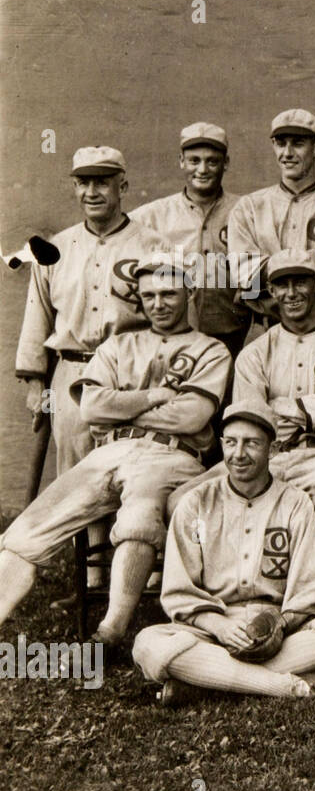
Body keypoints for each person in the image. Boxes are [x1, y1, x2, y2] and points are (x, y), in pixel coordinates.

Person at [0, 257, 229, 644]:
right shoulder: (117, 346)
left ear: (189, 294)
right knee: (25, 531)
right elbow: (91, 408)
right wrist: (155, 396)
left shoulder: (211, 350)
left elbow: (193, 416)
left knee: (139, 518)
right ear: (139, 299)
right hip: (107, 452)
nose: (159, 303)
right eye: (150, 295)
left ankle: (111, 630)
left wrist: (120, 402)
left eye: (169, 294)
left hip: (170, 456)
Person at [132, 400, 315, 705]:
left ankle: (205, 684)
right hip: (213, 629)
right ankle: (290, 686)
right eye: (230, 443)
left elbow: (311, 590)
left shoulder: (295, 503)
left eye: (251, 443)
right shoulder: (196, 504)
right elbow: (180, 594)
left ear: (272, 450)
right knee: (147, 644)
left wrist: (279, 624)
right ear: (222, 446)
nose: (238, 453)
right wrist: (220, 626)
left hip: (279, 631)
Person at [168, 250, 315, 603]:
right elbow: (252, 421)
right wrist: (313, 409)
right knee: (182, 500)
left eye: (300, 282)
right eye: (281, 285)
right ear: (271, 292)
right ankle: (215, 600)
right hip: (271, 455)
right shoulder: (255, 352)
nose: (291, 293)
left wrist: (286, 407)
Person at [16, 146, 168, 474]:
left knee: (126, 475)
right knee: (73, 479)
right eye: (83, 183)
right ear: (74, 188)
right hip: (72, 371)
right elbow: (37, 314)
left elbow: (173, 321)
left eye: (101, 183)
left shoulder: (154, 246)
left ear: (122, 187)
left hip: (131, 375)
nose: (91, 192)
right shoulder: (53, 248)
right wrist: (34, 384)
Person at [226, 109, 315, 332]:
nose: (288, 153)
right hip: (266, 329)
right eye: (281, 144)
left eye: (298, 143)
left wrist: (272, 266)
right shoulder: (249, 207)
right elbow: (245, 274)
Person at [132, 122, 247, 359]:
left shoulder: (247, 211)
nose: (202, 169)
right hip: (170, 342)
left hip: (234, 338)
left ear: (226, 164)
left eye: (212, 161)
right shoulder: (150, 217)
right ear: (181, 161)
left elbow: (256, 277)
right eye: (194, 160)